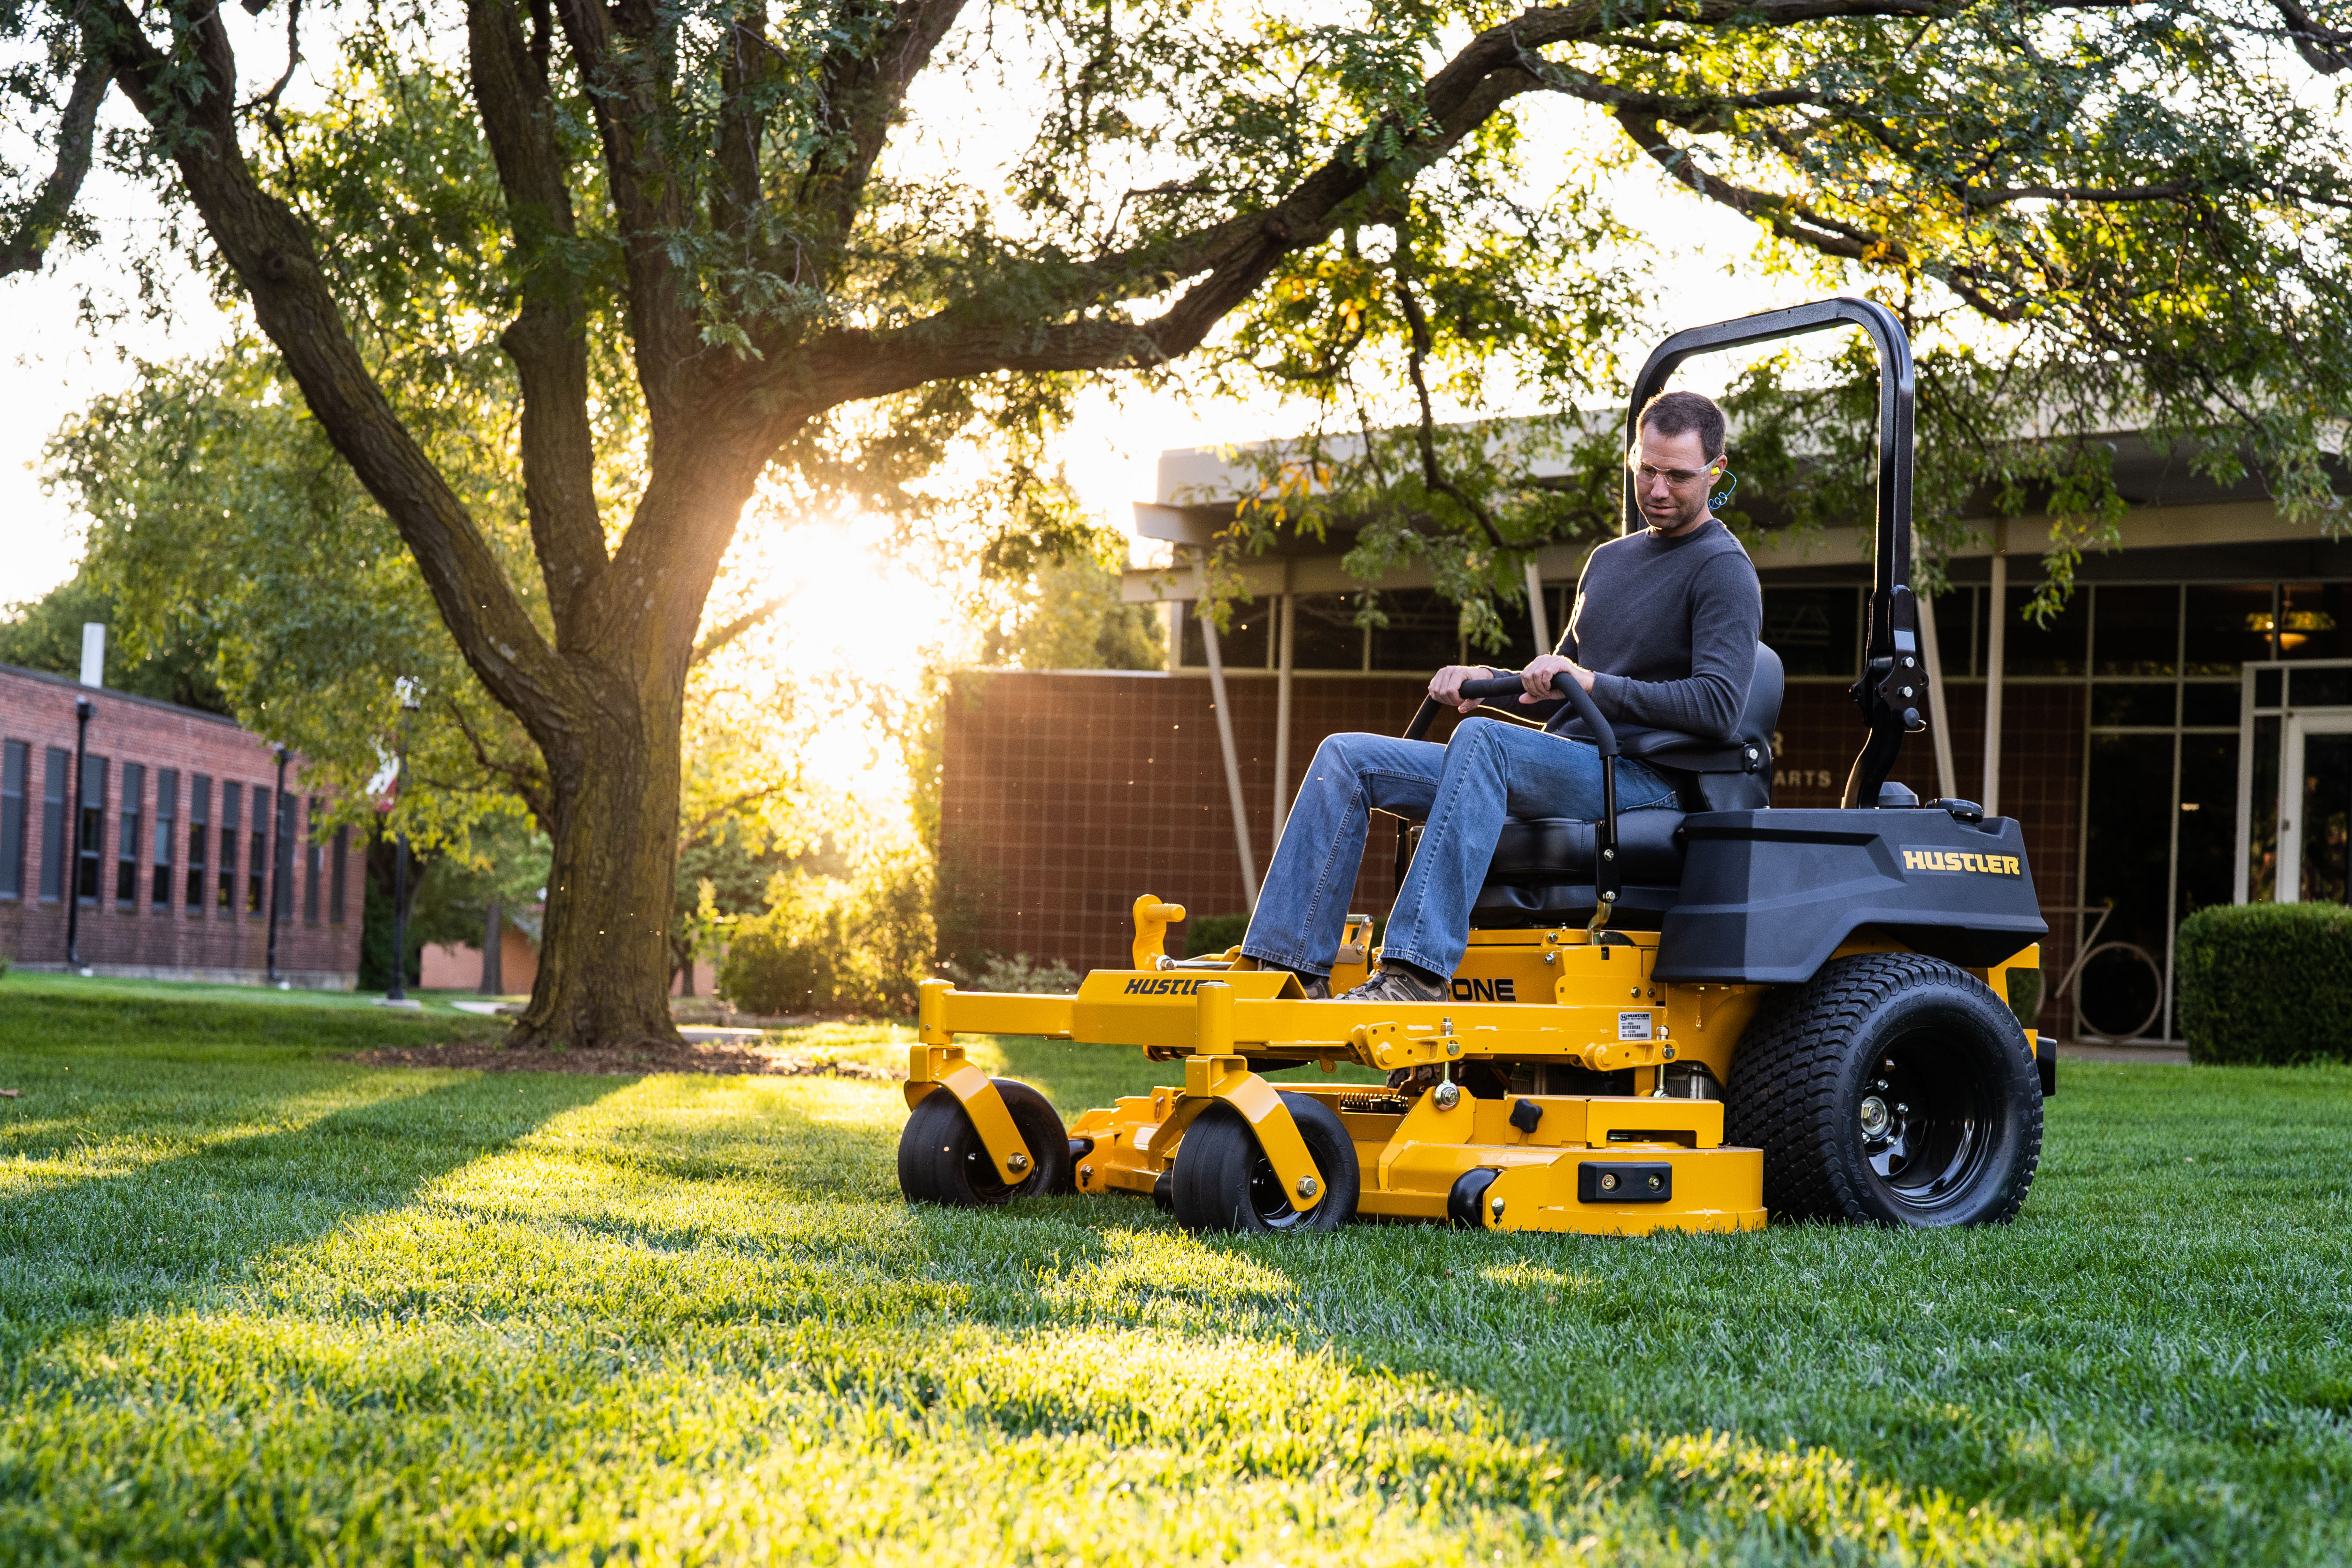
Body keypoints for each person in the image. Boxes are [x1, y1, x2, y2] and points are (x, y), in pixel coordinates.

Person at [1237, 389, 1763, 1001]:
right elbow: (1559, 686)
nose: (1657, 489)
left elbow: (1717, 707)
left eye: (1677, 475)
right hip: (1566, 760)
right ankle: (1286, 968)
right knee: (1345, 759)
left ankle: (1415, 973)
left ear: (1715, 473)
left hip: (1639, 777)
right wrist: (1485, 682)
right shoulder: (1608, 562)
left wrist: (1594, 685)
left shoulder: (1721, 568)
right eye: (1646, 469)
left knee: (1483, 744)